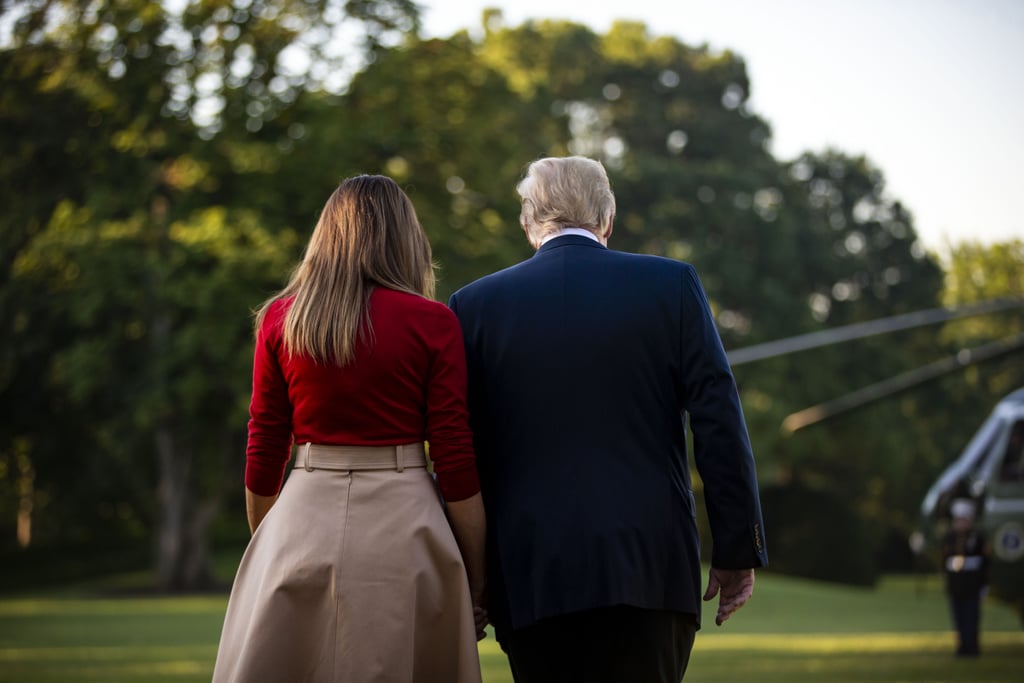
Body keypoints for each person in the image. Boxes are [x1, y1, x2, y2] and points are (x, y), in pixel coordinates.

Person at [448, 156, 768, 683]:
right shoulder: (671, 285)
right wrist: (737, 546)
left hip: (532, 575)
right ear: (608, 219)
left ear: (528, 222)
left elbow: (462, 449)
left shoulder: (475, 306)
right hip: (650, 568)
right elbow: (719, 419)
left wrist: (472, 575)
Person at [213, 175, 487, 682]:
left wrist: (268, 540)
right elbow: (453, 453)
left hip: (301, 516)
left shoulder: (282, 320)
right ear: (406, 238)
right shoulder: (432, 322)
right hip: (407, 522)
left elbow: (265, 443)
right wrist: (475, 576)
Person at [940, 498, 990, 657]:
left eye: (964, 520)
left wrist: (984, 584)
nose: (961, 523)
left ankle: (972, 647)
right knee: (959, 618)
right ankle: (962, 646)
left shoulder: (976, 537)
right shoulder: (950, 537)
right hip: (956, 584)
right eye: (959, 520)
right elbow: (944, 559)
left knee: (971, 617)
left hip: (972, 584)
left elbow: (984, 561)